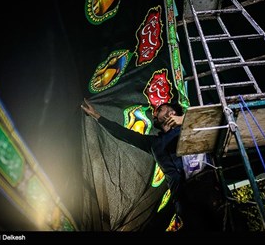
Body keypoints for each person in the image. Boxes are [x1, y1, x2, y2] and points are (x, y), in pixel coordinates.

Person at [81, 98, 235, 231]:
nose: (155, 113)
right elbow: (124, 134)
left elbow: (219, 112)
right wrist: (97, 116)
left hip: (207, 184)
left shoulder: (190, 125)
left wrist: (185, 120)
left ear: (172, 113)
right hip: (182, 197)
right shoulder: (153, 144)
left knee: (227, 223)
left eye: (159, 109)